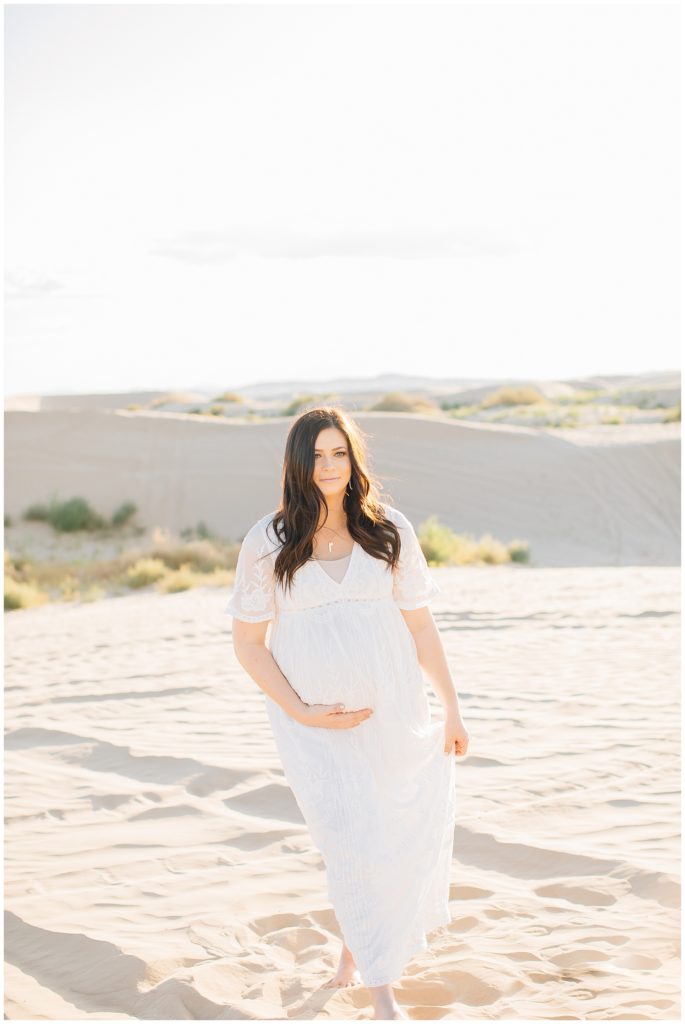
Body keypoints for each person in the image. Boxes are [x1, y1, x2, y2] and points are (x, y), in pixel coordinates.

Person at [225, 406, 469, 1020]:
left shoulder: (389, 530)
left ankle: (353, 948)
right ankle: (382, 992)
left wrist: (453, 707)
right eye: (317, 455)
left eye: (339, 453)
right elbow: (249, 645)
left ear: (354, 460)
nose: (328, 466)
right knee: (350, 838)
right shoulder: (269, 541)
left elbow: (421, 626)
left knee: (384, 834)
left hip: (393, 713)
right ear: (297, 463)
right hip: (313, 726)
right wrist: (302, 711)